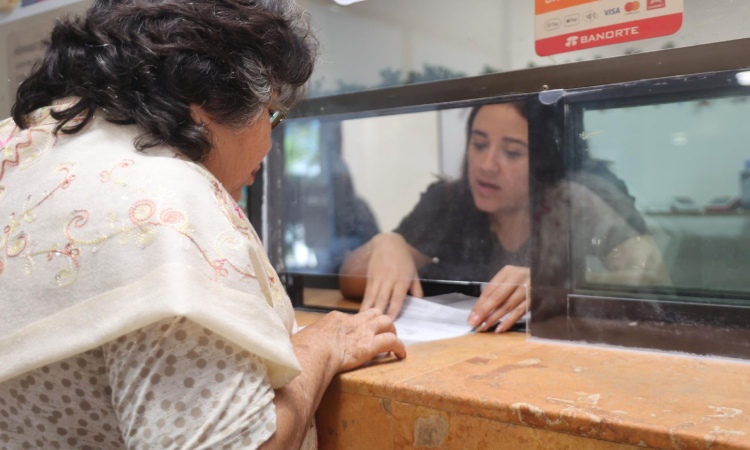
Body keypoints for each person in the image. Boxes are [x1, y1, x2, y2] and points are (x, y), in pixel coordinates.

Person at [0, 1, 405, 449]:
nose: (270, 140)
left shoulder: (17, 152)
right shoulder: (167, 201)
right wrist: (322, 347)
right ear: (207, 104)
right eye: (270, 112)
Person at [339, 101, 670, 332]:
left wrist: (556, 288)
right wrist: (385, 244)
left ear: (543, 161)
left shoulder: (576, 202)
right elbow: (348, 280)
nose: (487, 165)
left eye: (512, 152)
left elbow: (654, 281)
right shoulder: (450, 202)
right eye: (479, 144)